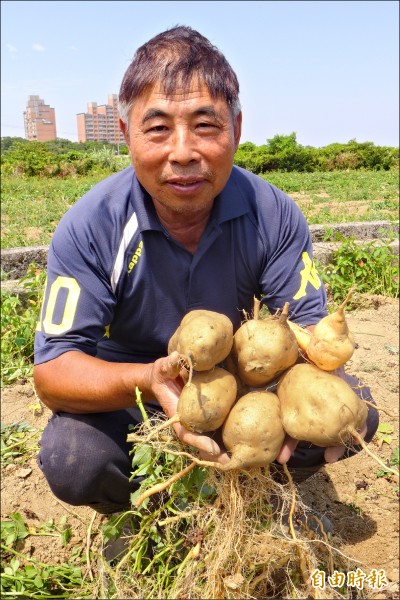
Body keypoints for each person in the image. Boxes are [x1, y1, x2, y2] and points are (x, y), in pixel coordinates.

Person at [33, 25, 378, 517]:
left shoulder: (273, 213)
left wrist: (274, 412)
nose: (183, 152)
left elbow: (311, 345)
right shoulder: (92, 225)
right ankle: (149, 510)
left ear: (236, 130)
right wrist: (151, 377)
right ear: (127, 135)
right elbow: (52, 372)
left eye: (205, 125)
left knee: (354, 411)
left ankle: (255, 485)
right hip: (135, 393)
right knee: (76, 457)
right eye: (157, 129)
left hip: (237, 391)